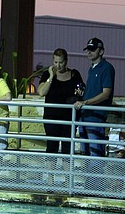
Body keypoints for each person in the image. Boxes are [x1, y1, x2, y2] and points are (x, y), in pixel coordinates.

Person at [75, 37, 115, 189]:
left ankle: (95, 186)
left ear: (101, 51)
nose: (89, 52)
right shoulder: (91, 68)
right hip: (86, 116)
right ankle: (90, 185)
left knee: (95, 153)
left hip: (96, 117)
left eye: (92, 49)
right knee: (86, 152)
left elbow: (106, 93)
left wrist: (86, 102)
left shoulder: (106, 68)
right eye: (88, 50)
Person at [37, 48, 84, 156]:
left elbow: (80, 92)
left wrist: (78, 94)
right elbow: (41, 92)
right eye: (56, 62)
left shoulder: (74, 74)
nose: (58, 66)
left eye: (61, 62)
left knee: (67, 149)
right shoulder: (47, 74)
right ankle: (50, 173)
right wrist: (51, 77)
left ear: (66, 61)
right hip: (51, 117)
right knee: (51, 147)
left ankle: (67, 173)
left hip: (69, 117)